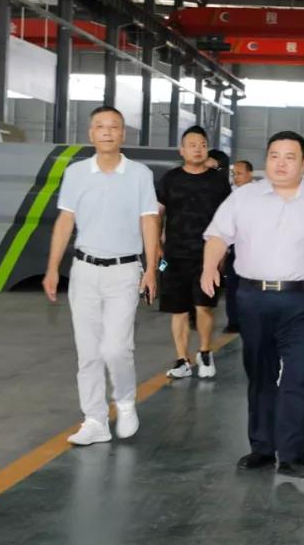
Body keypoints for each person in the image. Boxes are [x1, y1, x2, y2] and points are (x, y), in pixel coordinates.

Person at [201, 131, 304, 479]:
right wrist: (209, 266)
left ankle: (292, 456)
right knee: (260, 376)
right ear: (266, 160)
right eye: (274, 156)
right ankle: (261, 448)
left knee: (297, 378)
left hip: (302, 301)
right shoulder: (244, 197)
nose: (281, 163)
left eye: (290, 157)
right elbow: (217, 236)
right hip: (253, 298)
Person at [43, 105, 160, 446]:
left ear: (123, 134)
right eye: (100, 126)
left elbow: (149, 221)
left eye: (114, 126)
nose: (107, 132)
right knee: (88, 352)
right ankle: (94, 420)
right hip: (84, 271)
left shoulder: (139, 174)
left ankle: (124, 402)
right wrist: (52, 268)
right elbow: (65, 221)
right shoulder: (76, 173)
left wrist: (152, 269)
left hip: (125, 271)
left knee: (116, 348)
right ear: (90, 133)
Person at [156, 126, 231, 379]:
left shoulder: (218, 181)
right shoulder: (170, 179)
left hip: (206, 256)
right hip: (174, 256)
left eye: (202, 144)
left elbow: (227, 218)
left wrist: (222, 254)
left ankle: (205, 351)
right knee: (178, 310)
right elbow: (157, 214)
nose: (198, 149)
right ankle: (182, 360)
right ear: (182, 150)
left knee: (204, 306)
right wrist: (156, 246)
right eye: (192, 145)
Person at [223, 160, 255, 335]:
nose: (236, 177)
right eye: (233, 174)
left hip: (254, 251)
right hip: (234, 249)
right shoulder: (230, 195)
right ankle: (233, 322)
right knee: (232, 287)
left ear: (250, 174)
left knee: (253, 288)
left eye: (239, 173)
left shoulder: (260, 195)